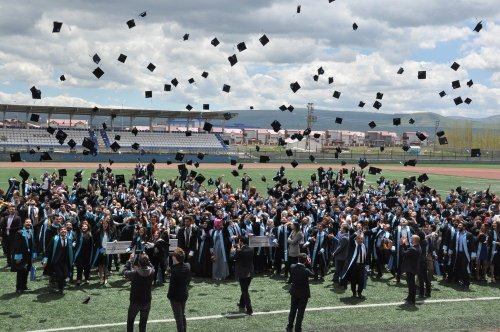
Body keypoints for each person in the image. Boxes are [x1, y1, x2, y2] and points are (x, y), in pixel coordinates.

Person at [123, 253, 155, 332]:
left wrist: (129, 260)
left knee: (130, 322)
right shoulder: (152, 272)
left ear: (139, 263)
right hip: (146, 302)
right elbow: (152, 266)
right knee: (143, 324)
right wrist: (146, 258)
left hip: (135, 301)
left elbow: (124, 271)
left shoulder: (134, 273)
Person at [42, 226, 74, 294]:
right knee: (60, 275)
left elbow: (71, 251)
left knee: (66, 274)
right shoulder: (54, 239)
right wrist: (45, 259)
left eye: (64, 229)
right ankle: (60, 288)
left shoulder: (69, 239)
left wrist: (72, 260)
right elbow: (48, 250)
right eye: (61, 230)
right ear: (59, 231)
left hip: (65, 261)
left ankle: (55, 282)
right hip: (56, 261)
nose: (63, 231)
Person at [287, 253, 314, 332]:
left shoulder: (292, 267)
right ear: (306, 261)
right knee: (300, 312)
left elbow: (295, 266)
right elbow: (313, 274)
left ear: (298, 259)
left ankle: (289, 327)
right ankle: (297, 329)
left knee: (293, 310)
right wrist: (310, 264)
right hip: (303, 294)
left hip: (294, 292)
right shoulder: (306, 271)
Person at [168, 248, 192, 332]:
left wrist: (169, 296)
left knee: (178, 318)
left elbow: (172, 286)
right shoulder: (187, 266)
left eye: (173, 256)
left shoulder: (174, 270)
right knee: (182, 315)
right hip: (184, 294)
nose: (172, 258)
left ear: (175, 258)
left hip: (175, 297)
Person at [11, 218, 36, 294]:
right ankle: (18, 288)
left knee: (26, 271)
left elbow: (33, 244)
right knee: (20, 272)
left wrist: (34, 255)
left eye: (30, 222)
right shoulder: (20, 232)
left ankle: (24, 286)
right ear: (24, 224)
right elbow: (17, 246)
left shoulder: (31, 231)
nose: (28, 223)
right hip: (21, 256)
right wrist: (18, 257)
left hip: (29, 256)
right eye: (27, 222)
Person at [340, 231, 368, 298]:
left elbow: (366, 257)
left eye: (361, 239)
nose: (360, 240)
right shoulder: (353, 245)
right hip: (354, 266)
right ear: (356, 239)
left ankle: (360, 293)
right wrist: (356, 233)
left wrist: (367, 266)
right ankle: (354, 293)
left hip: (362, 266)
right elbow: (350, 238)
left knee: (361, 281)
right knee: (353, 281)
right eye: (358, 238)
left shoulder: (364, 246)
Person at [232, 236, 254, 315]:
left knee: (244, 291)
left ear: (241, 242)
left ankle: (249, 309)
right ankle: (242, 304)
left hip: (242, 273)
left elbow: (232, 258)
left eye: (239, 241)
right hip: (250, 272)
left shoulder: (240, 251)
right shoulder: (251, 249)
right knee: (245, 289)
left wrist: (234, 250)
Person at [400, 234, 421, 305]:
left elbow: (404, 253)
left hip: (410, 269)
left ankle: (412, 300)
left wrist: (402, 244)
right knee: (411, 284)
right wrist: (405, 245)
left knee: (411, 285)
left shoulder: (413, 249)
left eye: (412, 238)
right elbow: (409, 250)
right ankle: (410, 297)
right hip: (413, 268)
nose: (410, 239)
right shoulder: (418, 247)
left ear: (414, 240)